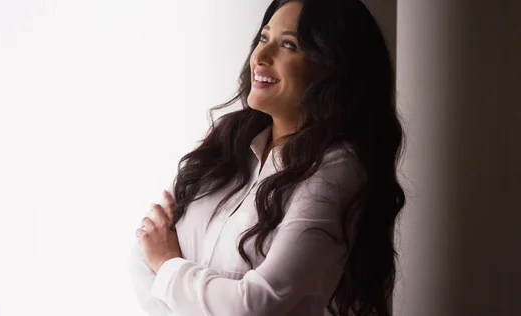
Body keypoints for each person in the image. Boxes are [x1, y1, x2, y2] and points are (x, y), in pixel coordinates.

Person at [128, 0, 405, 315]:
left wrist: (168, 264)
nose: (260, 57)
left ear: (331, 67)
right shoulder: (227, 142)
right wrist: (170, 269)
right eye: (263, 38)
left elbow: (257, 305)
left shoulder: (336, 169)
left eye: (288, 45)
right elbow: (142, 255)